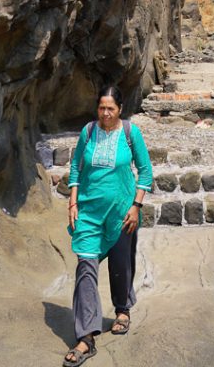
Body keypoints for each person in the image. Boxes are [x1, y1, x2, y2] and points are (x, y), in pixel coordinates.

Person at [64, 85, 153, 365]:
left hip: (121, 212)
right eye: (101, 108)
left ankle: (122, 309)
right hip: (89, 213)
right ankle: (86, 337)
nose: (105, 113)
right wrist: (73, 202)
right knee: (85, 267)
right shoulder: (88, 132)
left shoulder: (130, 133)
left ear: (120, 109)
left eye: (110, 109)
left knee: (119, 264)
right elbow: (77, 166)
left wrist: (136, 206)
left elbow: (146, 171)